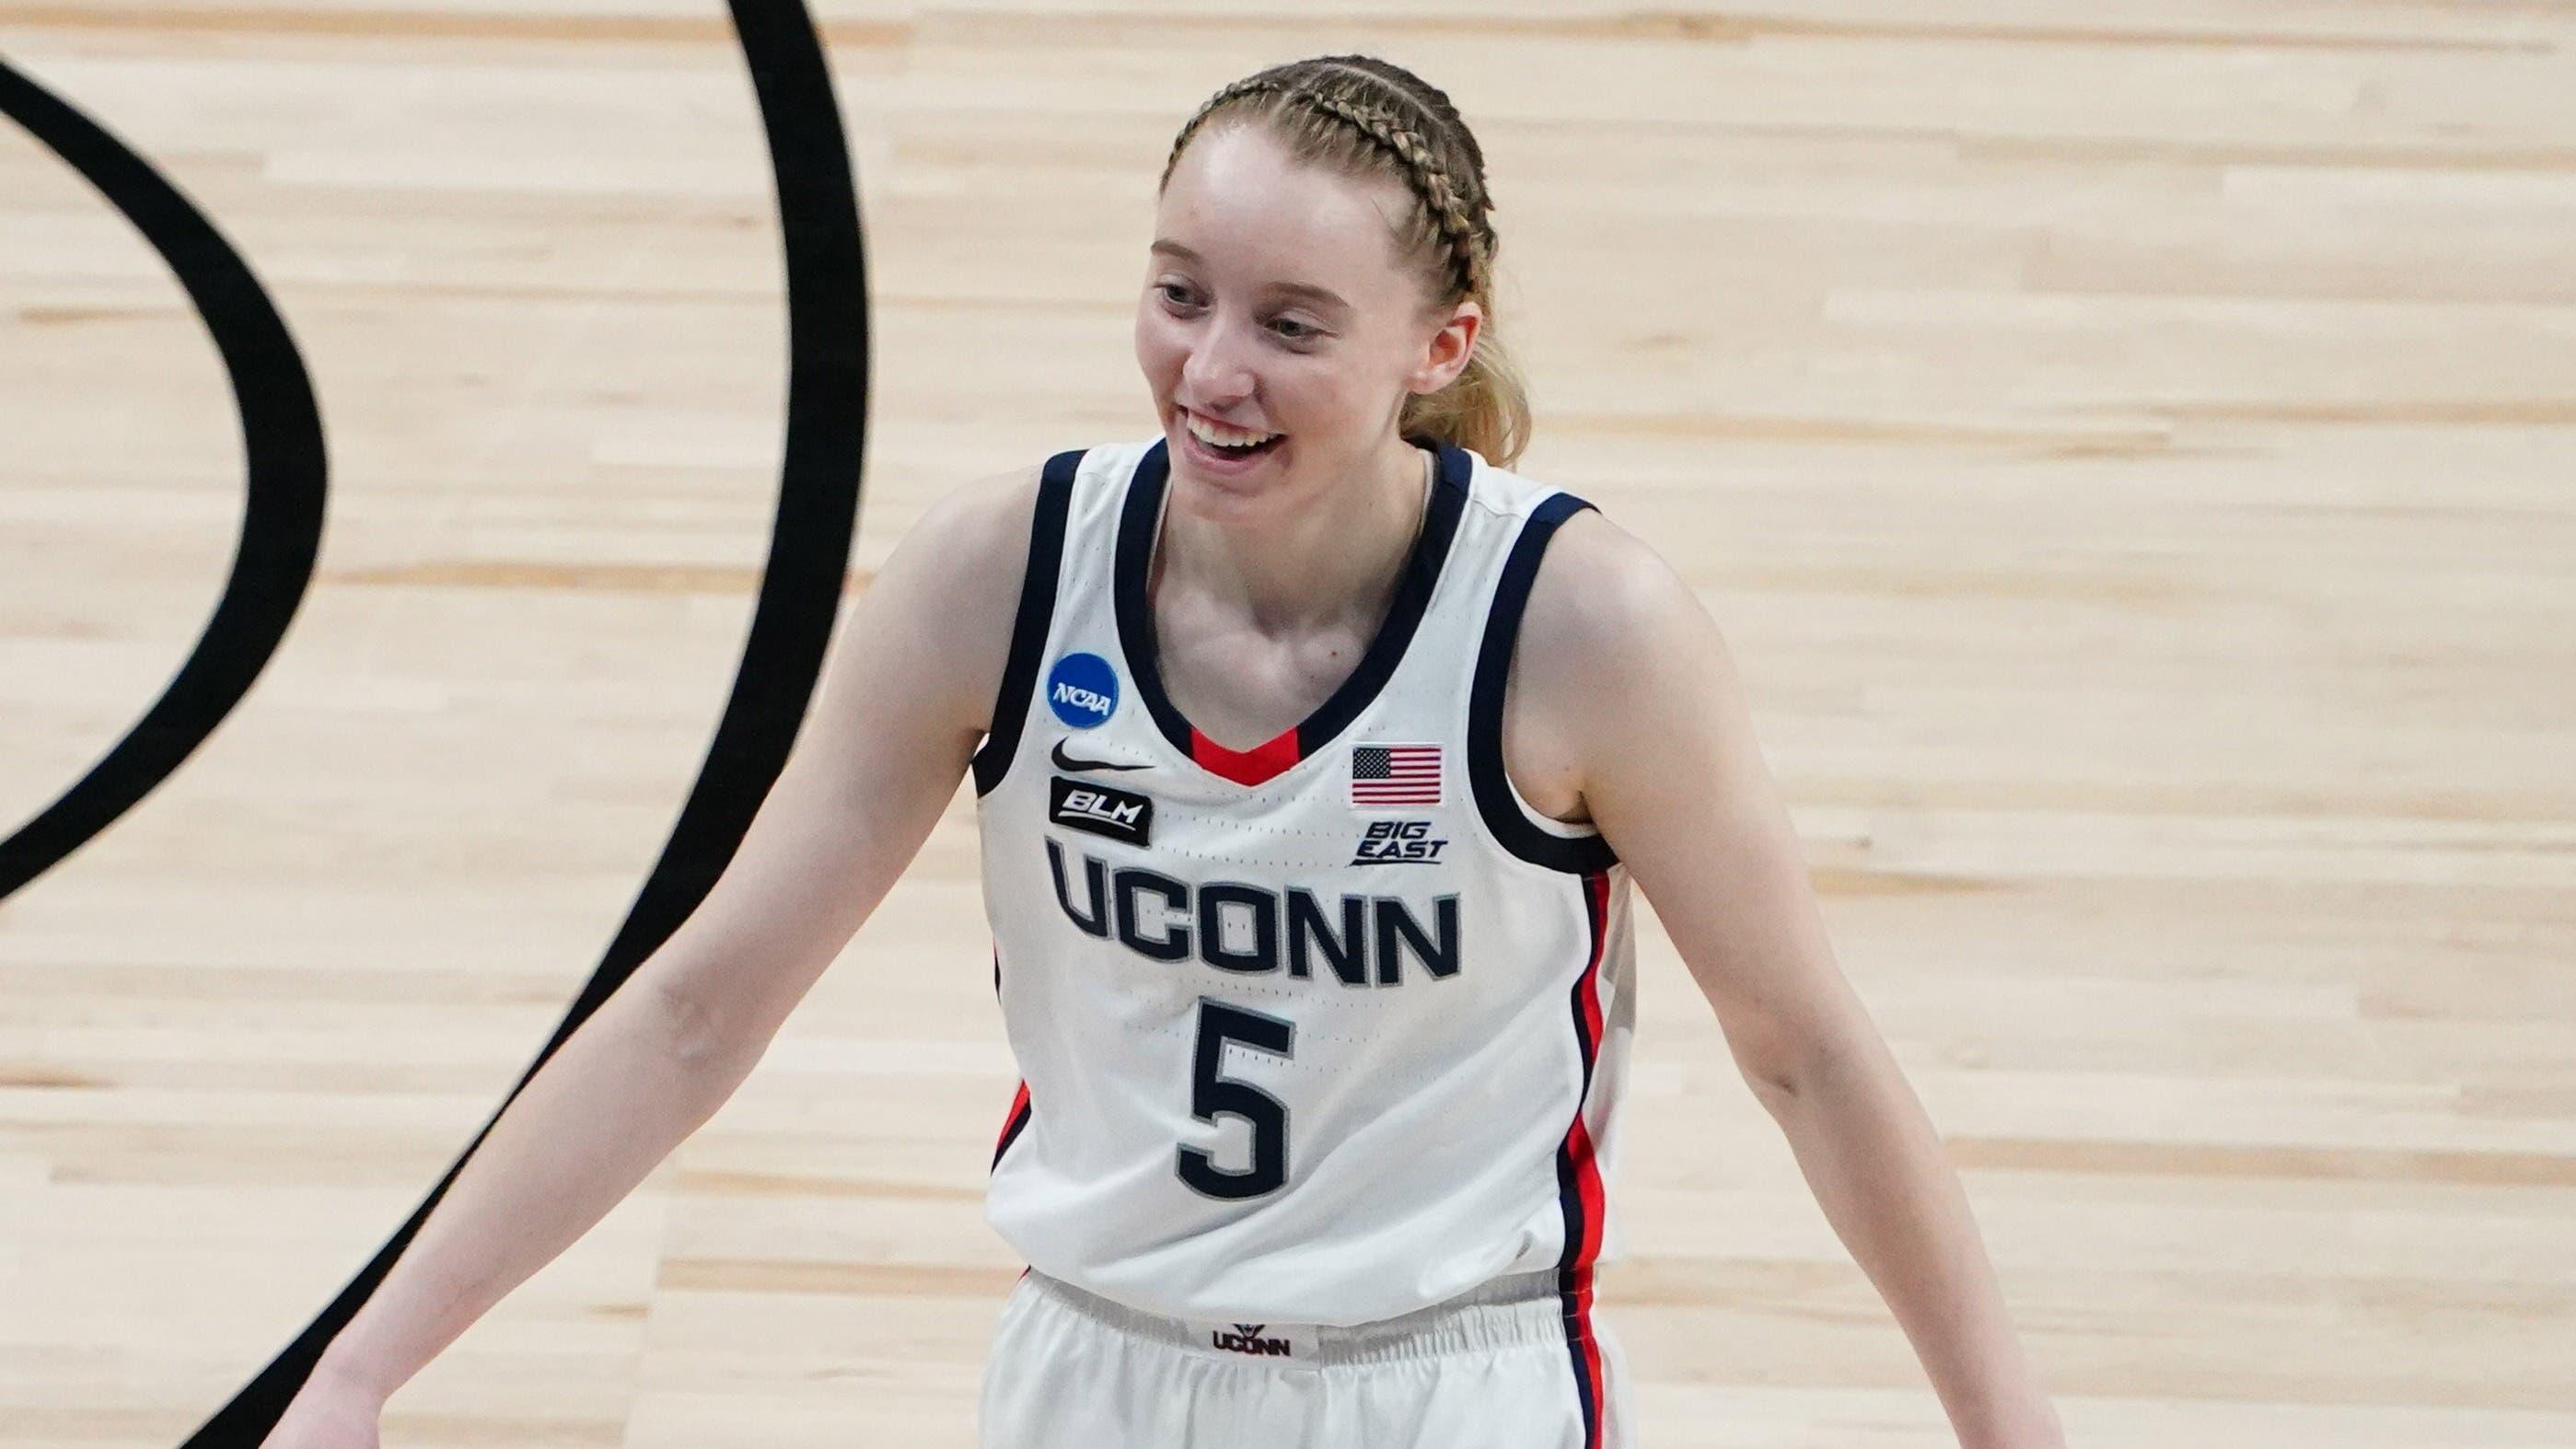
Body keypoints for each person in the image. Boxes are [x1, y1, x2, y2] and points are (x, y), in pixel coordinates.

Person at [265, 53, 2066, 1449]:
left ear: (1439, 347)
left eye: (1291, 326)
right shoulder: (997, 576)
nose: (1211, 368)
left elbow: (1809, 1056)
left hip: (1443, 1377)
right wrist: (360, 1369)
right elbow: (695, 1010)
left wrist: (2008, 1427)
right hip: (1093, 1362)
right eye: (1179, 291)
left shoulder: (1582, 630)